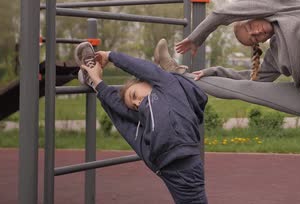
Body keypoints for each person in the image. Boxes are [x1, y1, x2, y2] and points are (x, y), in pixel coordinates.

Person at [154, 0, 300, 204]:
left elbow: (222, 13)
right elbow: (253, 80)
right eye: (254, 38)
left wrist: (196, 38)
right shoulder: (276, 53)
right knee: (244, 89)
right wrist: (213, 71)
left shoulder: (290, 4)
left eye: (250, 28)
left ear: (252, 15)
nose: (257, 33)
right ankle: (178, 73)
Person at [75, 42, 209, 204]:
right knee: (123, 120)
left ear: (146, 81)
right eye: (134, 105)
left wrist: (110, 56)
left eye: (134, 96)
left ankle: (95, 82)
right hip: (163, 164)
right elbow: (122, 110)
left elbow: (141, 68)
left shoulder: (167, 87)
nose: (137, 104)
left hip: (183, 160)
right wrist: (100, 82)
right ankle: (96, 83)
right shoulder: (145, 112)